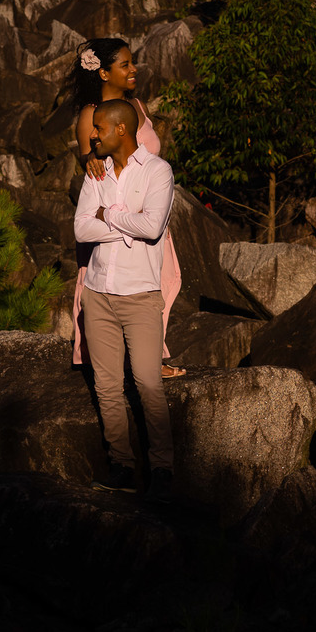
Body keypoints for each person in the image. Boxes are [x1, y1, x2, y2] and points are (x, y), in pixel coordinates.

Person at [74, 98, 176, 502]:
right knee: (107, 387)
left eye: (98, 128)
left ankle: (164, 470)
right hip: (97, 294)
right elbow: (81, 229)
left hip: (140, 298)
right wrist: (122, 221)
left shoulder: (158, 171)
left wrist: (108, 215)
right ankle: (122, 466)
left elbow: (152, 228)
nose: (91, 135)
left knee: (149, 384)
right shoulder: (95, 173)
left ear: (120, 129)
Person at [66, 38, 185, 378]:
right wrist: (91, 157)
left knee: (160, 283)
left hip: (147, 212)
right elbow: (90, 160)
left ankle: (148, 358)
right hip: (110, 216)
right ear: (103, 72)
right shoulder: (91, 114)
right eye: (125, 65)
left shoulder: (138, 107)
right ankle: (110, 357)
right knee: (103, 285)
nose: (134, 70)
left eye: (133, 63)